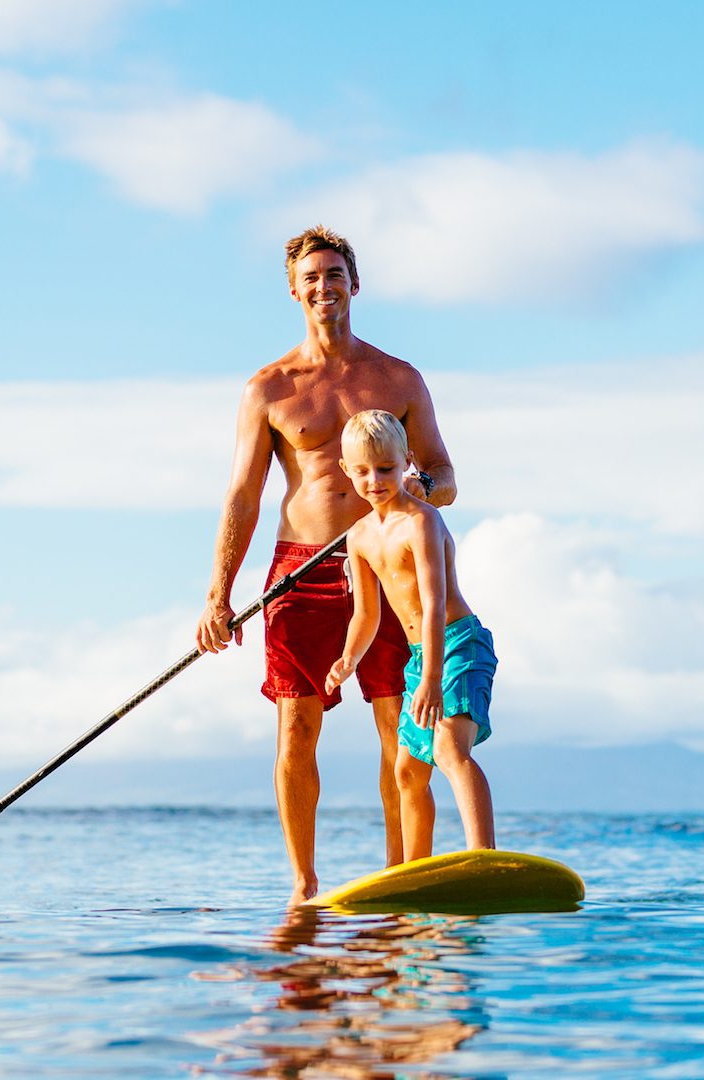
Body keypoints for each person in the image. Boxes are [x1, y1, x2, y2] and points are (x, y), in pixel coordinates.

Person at [195, 227, 457, 905]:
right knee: (297, 728)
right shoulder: (270, 388)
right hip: (299, 571)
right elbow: (243, 494)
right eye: (310, 278)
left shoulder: (398, 379)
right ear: (293, 290)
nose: (323, 287)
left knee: (400, 726)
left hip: (385, 563)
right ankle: (305, 885)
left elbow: (445, 474)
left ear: (354, 284)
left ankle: (403, 876)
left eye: (334, 274)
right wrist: (218, 595)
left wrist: (416, 493)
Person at [326, 410, 496, 863]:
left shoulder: (421, 522)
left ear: (407, 461)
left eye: (385, 468)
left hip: (457, 645)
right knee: (406, 771)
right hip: (422, 658)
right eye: (362, 471)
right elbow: (366, 614)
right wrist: (348, 659)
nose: (375, 480)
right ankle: (414, 870)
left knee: (447, 748)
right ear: (346, 470)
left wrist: (432, 678)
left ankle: (483, 857)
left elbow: (435, 602)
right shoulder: (359, 537)